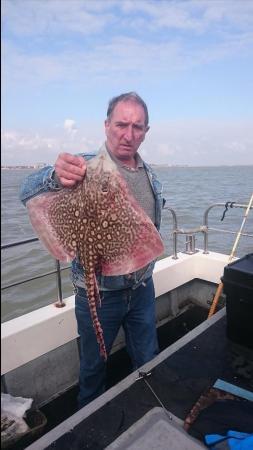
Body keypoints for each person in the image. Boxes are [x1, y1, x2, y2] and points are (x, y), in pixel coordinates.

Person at [20, 92, 165, 408]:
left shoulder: (150, 175)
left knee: (149, 357)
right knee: (93, 369)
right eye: (121, 124)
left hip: (142, 287)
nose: (128, 135)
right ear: (106, 125)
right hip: (98, 293)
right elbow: (27, 190)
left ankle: (153, 411)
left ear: (146, 131)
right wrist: (55, 176)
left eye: (137, 127)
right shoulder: (85, 167)